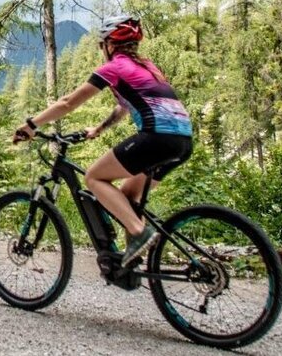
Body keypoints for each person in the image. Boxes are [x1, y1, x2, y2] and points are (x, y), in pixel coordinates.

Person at [12, 15, 193, 265]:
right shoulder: (148, 67)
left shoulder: (114, 68)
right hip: (182, 141)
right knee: (127, 194)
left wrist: (31, 125)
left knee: (94, 177)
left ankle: (140, 233)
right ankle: (133, 262)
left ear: (109, 44)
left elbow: (68, 102)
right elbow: (125, 106)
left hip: (156, 137)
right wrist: (99, 128)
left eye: (101, 45)